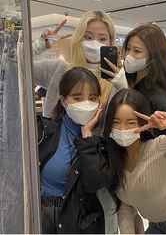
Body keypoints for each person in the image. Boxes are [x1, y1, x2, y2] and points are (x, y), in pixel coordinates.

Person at [75, 88, 166, 234]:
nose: (122, 129)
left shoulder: (161, 147)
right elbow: (124, 208)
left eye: (130, 122)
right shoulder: (116, 160)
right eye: (116, 122)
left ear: (142, 122)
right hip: (156, 227)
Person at [37, 67, 117, 234]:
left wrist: (87, 135)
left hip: (79, 220)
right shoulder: (46, 130)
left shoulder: (103, 139)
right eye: (77, 98)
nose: (86, 104)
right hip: (42, 215)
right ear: (64, 100)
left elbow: (97, 181)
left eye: (92, 98)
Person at [32, 10, 127, 119]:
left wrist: (123, 88)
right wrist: (38, 46)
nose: (94, 43)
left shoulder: (115, 82)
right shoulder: (59, 70)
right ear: (79, 38)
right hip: (57, 135)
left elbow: (126, 120)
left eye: (102, 39)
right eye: (88, 37)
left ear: (110, 43)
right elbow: (17, 70)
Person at [102, 23, 166, 136]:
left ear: (153, 57)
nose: (129, 55)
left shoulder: (159, 101)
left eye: (137, 51)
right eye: (128, 49)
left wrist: (126, 93)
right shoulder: (130, 84)